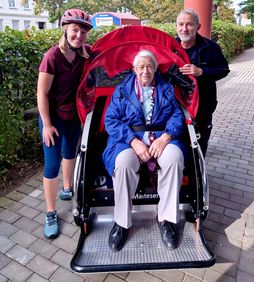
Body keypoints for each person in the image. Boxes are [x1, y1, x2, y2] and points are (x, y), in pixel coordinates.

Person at [102, 50, 186, 251]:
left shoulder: (166, 89)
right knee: (122, 163)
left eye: (150, 66)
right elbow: (110, 121)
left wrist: (165, 137)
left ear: (156, 69)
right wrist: (134, 141)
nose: (145, 71)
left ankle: (166, 219)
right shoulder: (122, 91)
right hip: (129, 140)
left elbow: (177, 116)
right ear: (134, 70)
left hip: (160, 139)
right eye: (141, 67)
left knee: (174, 158)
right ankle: (123, 223)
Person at [37, 9, 93, 239]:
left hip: (72, 114)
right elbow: (41, 94)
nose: (78, 35)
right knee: (51, 163)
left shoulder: (84, 54)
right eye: (74, 30)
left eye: (83, 32)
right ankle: (51, 213)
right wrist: (47, 125)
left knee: (70, 151)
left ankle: (67, 188)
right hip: (51, 116)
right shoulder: (52, 56)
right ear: (65, 30)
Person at [176, 8, 230, 156]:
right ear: (176, 27)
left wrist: (201, 72)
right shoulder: (169, 47)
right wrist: (126, 32)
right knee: (177, 147)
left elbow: (224, 69)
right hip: (175, 109)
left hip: (203, 108)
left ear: (197, 27)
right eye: (181, 24)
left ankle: (198, 177)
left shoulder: (210, 47)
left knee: (199, 147)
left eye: (189, 24)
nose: (184, 29)